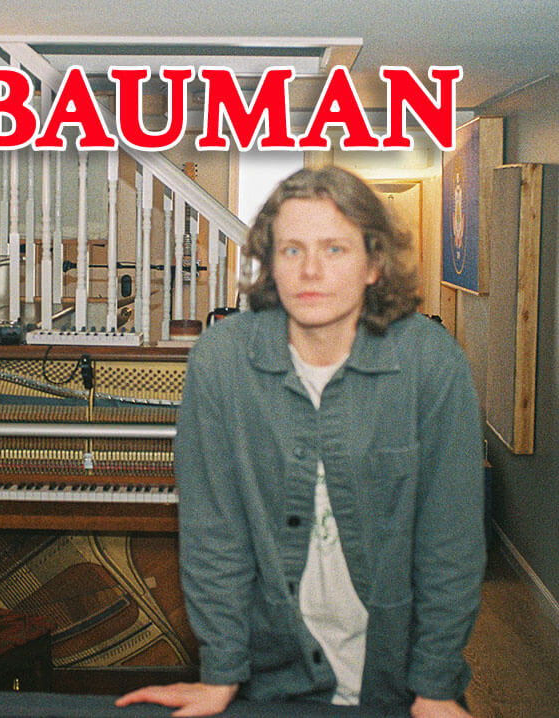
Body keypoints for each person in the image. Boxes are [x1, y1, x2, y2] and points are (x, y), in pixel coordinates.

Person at [116, 166, 485, 717]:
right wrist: (220, 673)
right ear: (269, 262)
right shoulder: (221, 360)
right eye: (291, 250)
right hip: (271, 677)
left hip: (402, 680)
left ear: (374, 263)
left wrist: (433, 686)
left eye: (335, 249)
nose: (310, 270)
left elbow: (449, 542)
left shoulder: (431, 362)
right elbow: (213, 534)